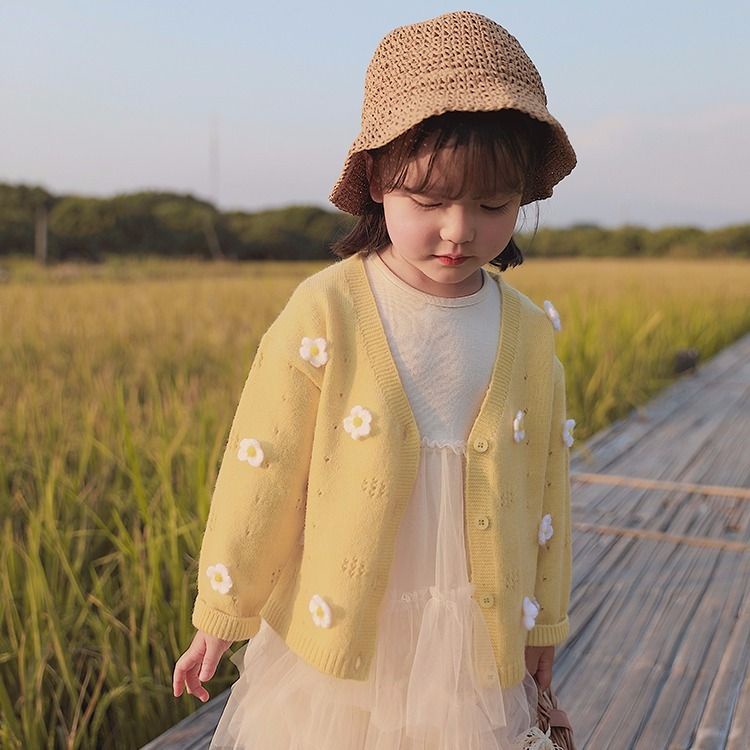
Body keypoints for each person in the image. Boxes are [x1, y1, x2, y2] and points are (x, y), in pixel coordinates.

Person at [173, 10, 576, 749]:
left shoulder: (526, 331)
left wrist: (542, 623)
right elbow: (264, 466)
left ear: (524, 196)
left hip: (472, 633)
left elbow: (546, 486)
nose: (459, 230)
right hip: (343, 629)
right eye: (428, 202)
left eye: (493, 206)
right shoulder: (328, 310)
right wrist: (222, 614)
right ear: (376, 183)